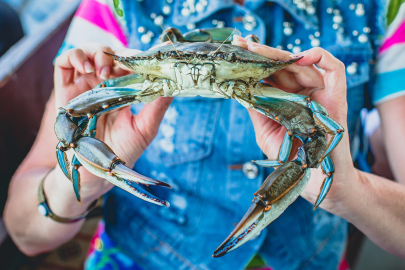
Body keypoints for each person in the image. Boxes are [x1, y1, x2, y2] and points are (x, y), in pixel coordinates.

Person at [4, 0, 404, 269]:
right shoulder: (116, 9)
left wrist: (344, 190)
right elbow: (25, 233)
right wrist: (86, 179)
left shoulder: (381, 11)